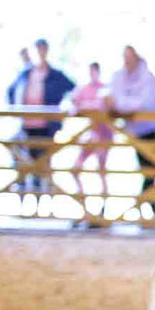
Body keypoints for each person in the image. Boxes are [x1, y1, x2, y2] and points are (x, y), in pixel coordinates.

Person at [108, 45, 155, 220]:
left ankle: (146, 207)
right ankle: (146, 208)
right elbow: (113, 99)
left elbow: (142, 102)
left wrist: (121, 105)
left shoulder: (147, 77)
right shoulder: (119, 77)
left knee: (153, 172)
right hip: (138, 131)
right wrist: (123, 105)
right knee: (147, 172)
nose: (127, 62)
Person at [7, 38, 74, 193]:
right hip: (26, 125)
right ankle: (26, 195)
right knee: (25, 160)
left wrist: (65, 109)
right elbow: (11, 92)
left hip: (47, 126)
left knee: (44, 161)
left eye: (43, 49)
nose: (41, 52)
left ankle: (46, 198)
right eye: (38, 49)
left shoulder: (55, 74)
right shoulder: (25, 73)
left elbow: (73, 90)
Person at [68, 62, 113, 215]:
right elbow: (71, 104)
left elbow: (103, 106)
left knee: (101, 171)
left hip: (103, 135)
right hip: (91, 135)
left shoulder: (105, 88)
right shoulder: (83, 89)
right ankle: (85, 210)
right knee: (76, 169)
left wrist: (85, 106)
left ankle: (103, 210)